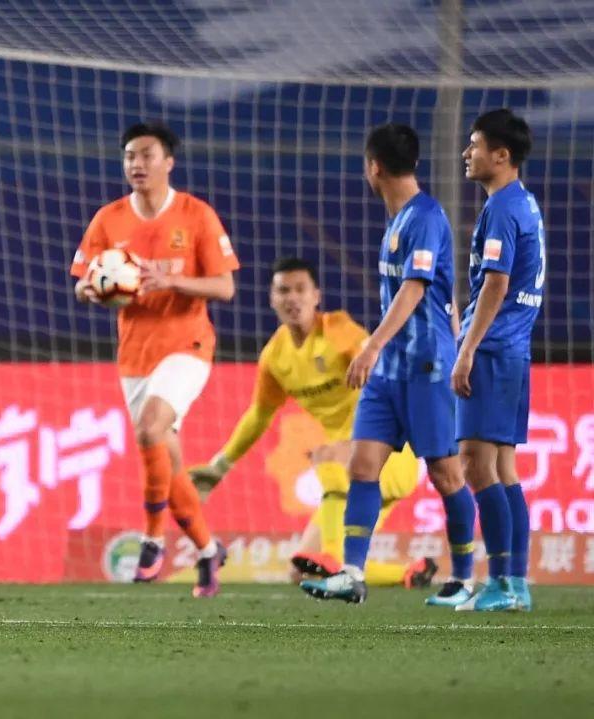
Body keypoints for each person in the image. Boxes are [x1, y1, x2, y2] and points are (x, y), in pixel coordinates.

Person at [300, 123, 477, 606]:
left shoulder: (426, 217)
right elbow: (445, 290)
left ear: (373, 167)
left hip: (425, 368)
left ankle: (464, 578)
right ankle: (352, 574)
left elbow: (416, 288)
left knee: (446, 475)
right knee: (363, 465)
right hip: (390, 373)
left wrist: (372, 346)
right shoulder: (400, 220)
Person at [188, 258, 438, 590]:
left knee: (327, 458)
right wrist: (220, 466)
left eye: (300, 289)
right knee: (302, 570)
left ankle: (332, 554)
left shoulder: (337, 330)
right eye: (283, 291)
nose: (292, 298)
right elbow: (259, 416)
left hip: (389, 453)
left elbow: (377, 365)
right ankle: (410, 574)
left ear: (316, 296)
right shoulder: (276, 357)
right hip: (351, 474)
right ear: (271, 299)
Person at [71, 122, 239, 597]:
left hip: (189, 347)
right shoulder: (109, 219)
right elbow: (82, 282)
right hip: (135, 355)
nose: (137, 164)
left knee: (149, 429)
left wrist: (172, 283)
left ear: (169, 162)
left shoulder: (196, 215)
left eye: (147, 155)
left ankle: (151, 538)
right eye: (130, 156)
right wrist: (92, 290)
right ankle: (207, 551)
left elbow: (225, 287)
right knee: (169, 461)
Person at [453, 109, 541, 612]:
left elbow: (496, 284)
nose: (467, 153)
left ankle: (502, 582)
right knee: (503, 466)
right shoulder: (524, 202)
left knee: (474, 462)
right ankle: (515, 583)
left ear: (501, 155)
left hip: (492, 348)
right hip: (514, 348)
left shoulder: (503, 209)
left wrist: (466, 349)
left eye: (475, 145)